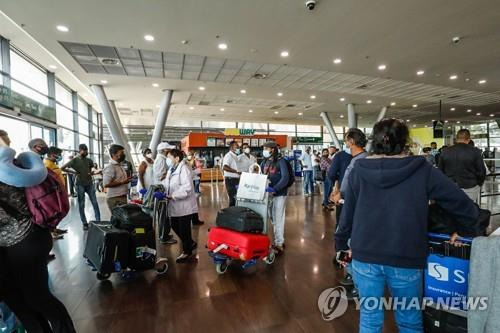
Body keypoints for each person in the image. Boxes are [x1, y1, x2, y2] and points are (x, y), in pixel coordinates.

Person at [335, 119, 478, 332]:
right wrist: (466, 229)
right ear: (404, 142)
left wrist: (340, 244)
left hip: (364, 254)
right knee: (409, 319)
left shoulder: (358, 170)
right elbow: (461, 203)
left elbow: (348, 213)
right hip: (406, 255)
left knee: (369, 317)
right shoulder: (422, 169)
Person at [0, 130, 76, 333]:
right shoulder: (19, 165)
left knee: (28, 299)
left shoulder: (4, 172)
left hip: (19, 243)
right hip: (32, 237)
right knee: (31, 297)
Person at [162, 149, 197, 262]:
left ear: (177, 158)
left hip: (184, 204)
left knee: (184, 229)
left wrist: (173, 196)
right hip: (174, 204)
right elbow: (168, 183)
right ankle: (190, 243)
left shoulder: (184, 169)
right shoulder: (171, 169)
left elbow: (187, 188)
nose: (168, 159)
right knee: (174, 225)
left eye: (169, 157)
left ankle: (187, 252)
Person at [438, 129, 486, 203]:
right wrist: (478, 184)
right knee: (467, 210)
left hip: (450, 186)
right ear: (469, 139)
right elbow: (481, 172)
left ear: (456, 139)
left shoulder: (445, 151)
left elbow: (440, 171)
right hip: (470, 187)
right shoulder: (475, 151)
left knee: (452, 210)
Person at [61, 144, 101, 230]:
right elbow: (63, 168)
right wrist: (74, 172)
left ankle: (98, 221)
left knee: (95, 202)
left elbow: (93, 168)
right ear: (80, 151)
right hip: (80, 184)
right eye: (84, 150)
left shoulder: (89, 160)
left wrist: (94, 172)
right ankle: (84, 223)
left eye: (86, 150)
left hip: (89, 183)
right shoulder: (74, 160)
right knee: (81, 204)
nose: (86, 152)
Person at [261, 142, 290, 253]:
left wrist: (275, 189)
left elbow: (285, 178)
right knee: (271, 217)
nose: (265, 150)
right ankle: (277, 237)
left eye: (266, 148)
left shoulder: (281, 161)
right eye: (264, 148)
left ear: (273, 149)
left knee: (278, 218)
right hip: (267, 194)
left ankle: (279, 243)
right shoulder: (264, 162)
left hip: (279, 194)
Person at [153, 142, 177, 244]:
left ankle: (165, 233)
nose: (170, 152)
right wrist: (170, 173)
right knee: (163, 215)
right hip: (161, 190)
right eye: (168, 150)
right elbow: (160, 176)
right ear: (163, 151)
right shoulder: (160, 160)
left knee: (165, 214)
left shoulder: (162, 160)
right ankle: (163, 237)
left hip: (163, 189)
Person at [43, 146, 68, 239]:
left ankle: (54, 229)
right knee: (53, 213)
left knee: (58, 212)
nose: (60, 156)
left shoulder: (52, 163)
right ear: (51, 155)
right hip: (53, 193)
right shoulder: (47, 165)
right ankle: (52, 232)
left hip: (58, 191)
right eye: (58, 155)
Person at [327, 146, 352, 225]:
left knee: (342, 218)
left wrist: (337, 181)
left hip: (342, 190)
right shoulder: (366, 155)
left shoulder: (340, 156)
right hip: (360, 192)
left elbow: (331, 174)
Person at [103, 145, 131, 212]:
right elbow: (106, 184)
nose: (123, 154)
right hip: (115, 198)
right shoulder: (110, 167)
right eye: (121, 153)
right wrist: (122, 182)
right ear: (114, 155)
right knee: (118, 220)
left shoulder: (119, 165)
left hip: (121, 196)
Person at [222, 141, 241, 206]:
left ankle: (235, 213)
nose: (238, 147)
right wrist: (236, 171)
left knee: (236, 198)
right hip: (230, 180)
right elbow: (225, 167)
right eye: (236, 146)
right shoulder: (228, 156)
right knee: (232, 198)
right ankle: (231, 213)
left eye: (238, 146)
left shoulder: (235, 156)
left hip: (236, 180)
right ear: (231, 147)